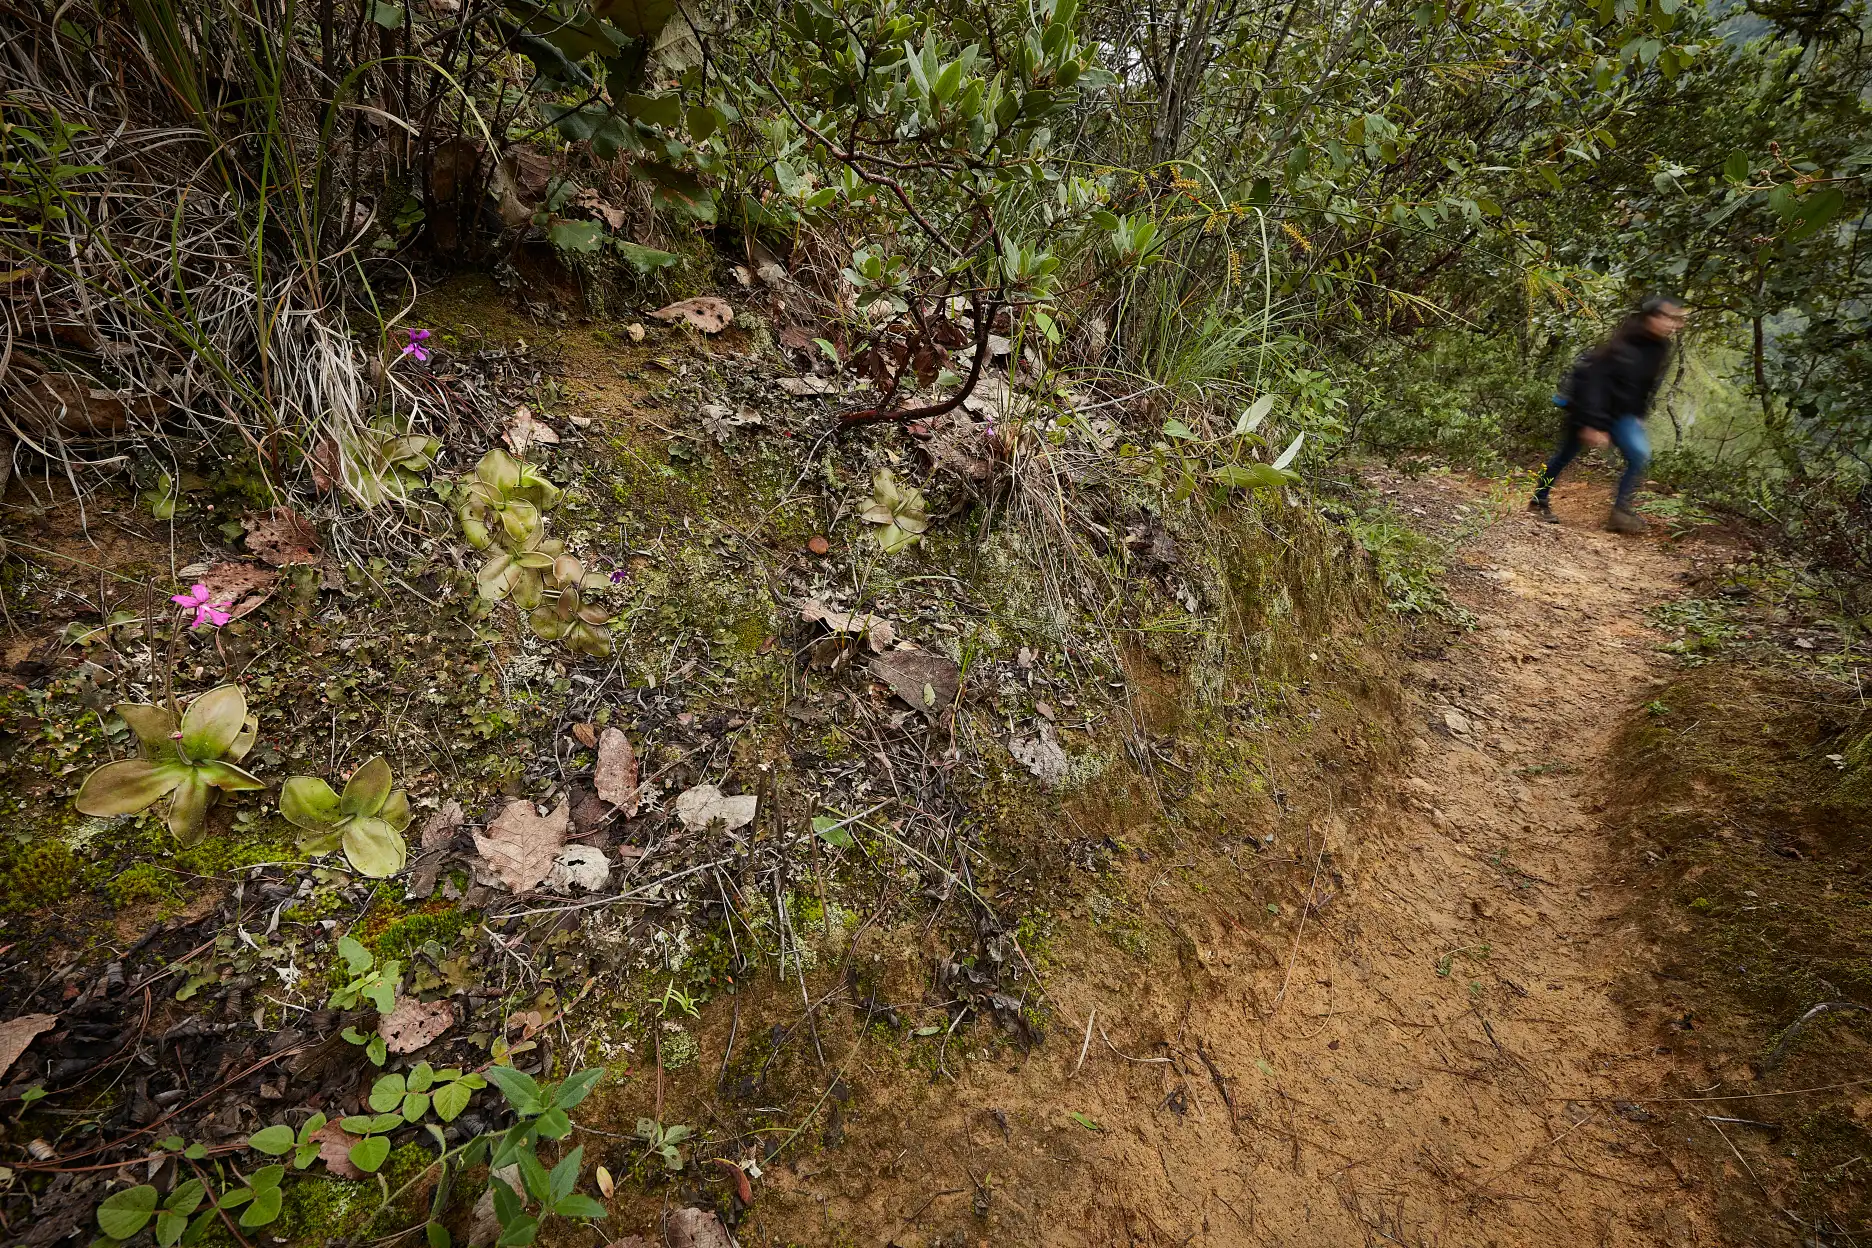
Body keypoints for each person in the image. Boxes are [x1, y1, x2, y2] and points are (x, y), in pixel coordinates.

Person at [1528, 295, 1687, 533]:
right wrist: (1592, 424)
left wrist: (1638, 415)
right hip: (1587, 409)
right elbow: (1595, 386)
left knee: (1638, 455)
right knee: (1564, 456)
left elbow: (1646, 386)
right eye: (1665, 316)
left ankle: (1620, 512)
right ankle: (1539, 498)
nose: (1670, 323)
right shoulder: (1623, 345)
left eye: (1675, 318)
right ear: (1650, 317)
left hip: (1622, 413)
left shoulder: (1660, 348)